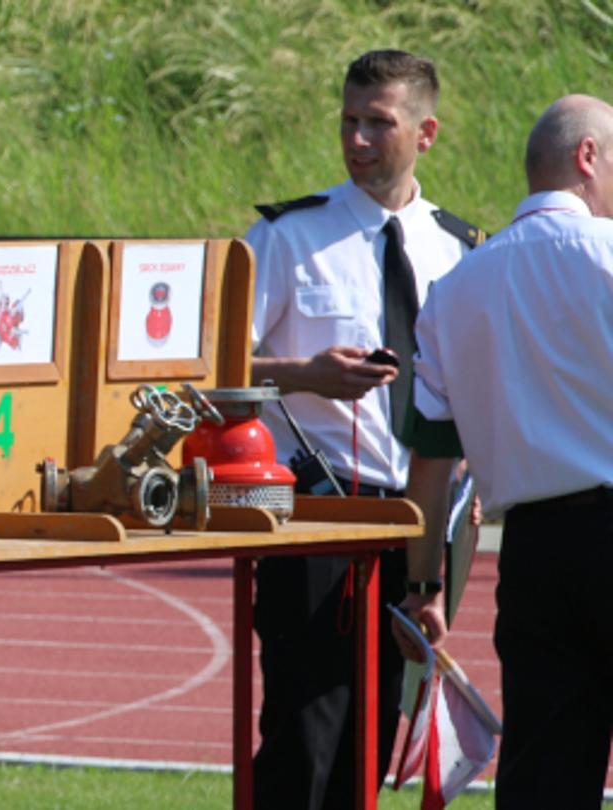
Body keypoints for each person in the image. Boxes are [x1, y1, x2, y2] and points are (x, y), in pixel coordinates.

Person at [242, 49, 481, 809]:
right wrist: (305, 376)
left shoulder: (460, 249)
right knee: (305, 738)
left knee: (374, 747)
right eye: (349, 120)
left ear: (426, 132)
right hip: (309, 520)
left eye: (379, 122)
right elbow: (211, 373)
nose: (359, 139)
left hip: (413, 521)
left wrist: (440, 560)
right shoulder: (285, 235)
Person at [396, 94, 613, 809]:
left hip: (534, 553)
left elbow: (431, 463)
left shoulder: (455, 290)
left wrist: (423, 586)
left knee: (544, 774)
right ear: (589, 157)